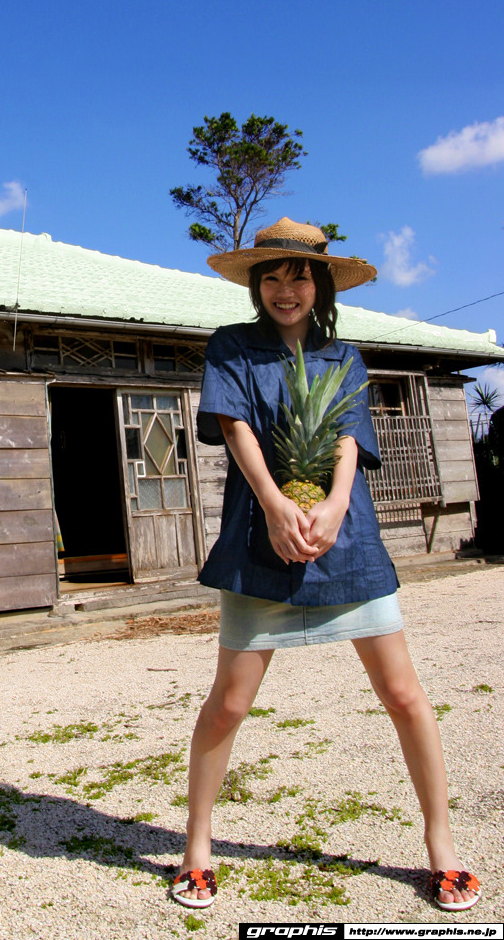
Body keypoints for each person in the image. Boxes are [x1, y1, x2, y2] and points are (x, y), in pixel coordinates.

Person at [171, 218, 480, 914]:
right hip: (261, 534)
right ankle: (197, 845)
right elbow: (232, 425)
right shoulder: (232, 348)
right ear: (257, 285)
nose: (286, 289)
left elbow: (347, 435)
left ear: (320, 284)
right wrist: (277, 506)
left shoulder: (342, 355)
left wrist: (337, 504)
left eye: (300, 275)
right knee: (227, 704)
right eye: (272, 276)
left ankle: (441, 848)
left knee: (403, 695)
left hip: (348, 536)